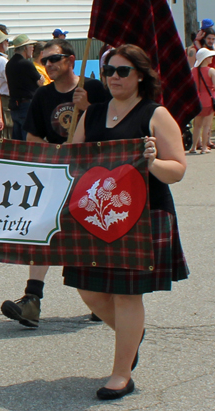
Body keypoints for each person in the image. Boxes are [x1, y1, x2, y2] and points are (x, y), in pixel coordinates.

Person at [66, 44, 188, 400]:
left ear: (139, 75)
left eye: (122, 71)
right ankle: (131, 334)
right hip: (95, 216)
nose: (114, 77)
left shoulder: (156, 114)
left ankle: (121, 374)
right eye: (109, 71)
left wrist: (150, 162)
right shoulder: (92, 114)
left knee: (125, 294)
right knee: (88, 289)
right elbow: (74, 161)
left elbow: (177, 170)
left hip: (144, 215)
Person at [0, 39, 110, 327]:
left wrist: (89, 108)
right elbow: (32, 136)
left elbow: (113, 129)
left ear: (71, 60)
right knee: (43, 231)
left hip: (92, 175)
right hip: (58, 173)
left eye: (54, 59)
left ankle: (101, 300)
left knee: (89, 234)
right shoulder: (43, 95)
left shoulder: (93, 89)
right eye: (44, 60)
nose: (48, 65)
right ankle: (31, 300)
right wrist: (51, 155)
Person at [5, 34, 44, 140]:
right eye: (31, 45)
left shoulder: (9, 64)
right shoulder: (26, 64)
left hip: (14, 106)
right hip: (26, 105)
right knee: (28, 138)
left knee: (17, 139)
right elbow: (40, 81)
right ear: (25, 48)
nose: (33, 48)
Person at [188, 48, 215, 154]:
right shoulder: (211, 71)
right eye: (210, 57)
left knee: (197, 126)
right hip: (209, 100)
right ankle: (204, 147)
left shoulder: (192, 70)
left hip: (197, 101)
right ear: (205, 58)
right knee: (207, 126)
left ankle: (193, 147)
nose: (212, 58)